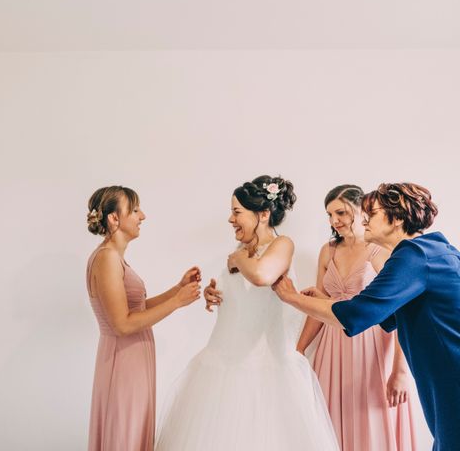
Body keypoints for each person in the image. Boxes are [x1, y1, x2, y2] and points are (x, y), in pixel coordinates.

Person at [272, 182, 460, 451]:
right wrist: (326, 301)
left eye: (372, 214)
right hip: (443, 378)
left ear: (396, 219)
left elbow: (356, 315)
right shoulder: (431, 252)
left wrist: (291, 297)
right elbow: (383, 314)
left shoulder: (414, 255)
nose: (364, 219)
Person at [156, 176, 338, 451]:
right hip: (222, 360)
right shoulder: (241, 250)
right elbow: (246, 294)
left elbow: (262, 275)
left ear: (263, 214)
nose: (230, 219)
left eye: (237, 212)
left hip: (267, 366)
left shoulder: (282, 245)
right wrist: (217, 295)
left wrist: (238, 260)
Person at [296, 184, 418, 450]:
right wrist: (299, 350)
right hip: (331, 348)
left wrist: (400, 371)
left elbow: (401, 313)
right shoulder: (328, 250)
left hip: (371, 348)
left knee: (371, 420)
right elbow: (319, 306)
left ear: (359, 209)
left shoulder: (379, 251)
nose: (334, 221)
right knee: (330, 421)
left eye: (340, 212)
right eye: (329, 215)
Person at [85, 185, 201, 451]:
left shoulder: (113, 258)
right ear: (114, 218)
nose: (143, 216)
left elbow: (135, 309)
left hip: (132, 359)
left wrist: (177, 289)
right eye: (135, 210)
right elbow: (122, 324)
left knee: (133, 429)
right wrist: (176, 302)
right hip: (123, 360)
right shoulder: (107, 258)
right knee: (125, 431)